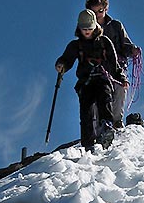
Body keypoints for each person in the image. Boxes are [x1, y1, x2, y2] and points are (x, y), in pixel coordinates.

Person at [55, 9, 128, 150]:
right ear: (79, 28)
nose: (87, 31)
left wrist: (121, 77)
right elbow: (67, 59)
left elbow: (114, 64)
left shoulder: (104, 42)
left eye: (89, 28)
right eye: (84, 29)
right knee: (86, 111)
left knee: (104, 100)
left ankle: (106, 129)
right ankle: (88, 142)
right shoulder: (75, 45)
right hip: (85, 83)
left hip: (102, 78)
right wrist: (61, 65)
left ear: (95, 26)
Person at [85, 0, 139, 128]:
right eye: (94, 12)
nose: (97, 14)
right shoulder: (87, 30)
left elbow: (125, 44)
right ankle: (99, 126)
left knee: (120, 89)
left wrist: (132, 50)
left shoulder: (115, 26)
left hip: (117, 66)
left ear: (106, 9)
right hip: (96, 68)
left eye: (100, 11)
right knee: (99, 96)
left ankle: (116, 121)